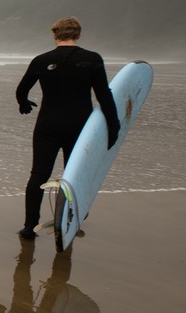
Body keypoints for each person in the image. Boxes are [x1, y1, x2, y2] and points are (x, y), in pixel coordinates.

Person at [15, 17, 120, 240]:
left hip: (47, 126)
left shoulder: (41, 60)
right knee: (74, 176)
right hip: (79, 127)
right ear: (78, 35)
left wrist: (24, 104)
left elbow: (21, 90)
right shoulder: (92, 59)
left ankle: (29, 227)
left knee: (38, 175)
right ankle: (69, 220)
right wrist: (114, 126)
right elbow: (104, 96)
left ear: (54, 35)